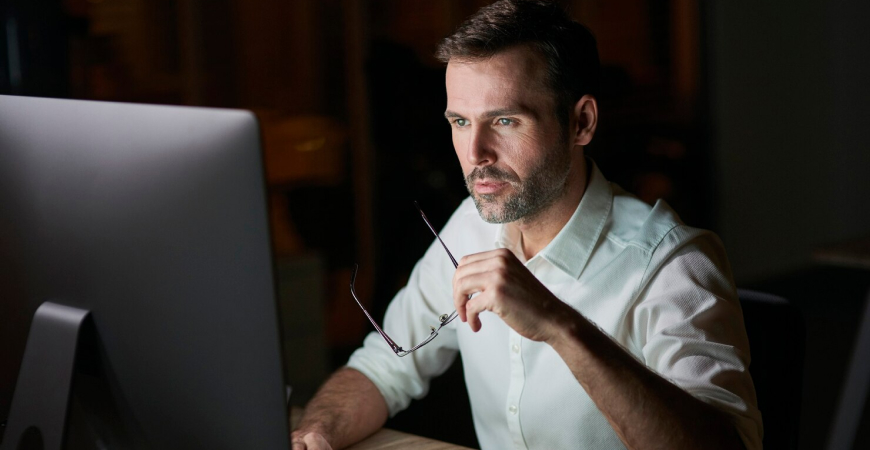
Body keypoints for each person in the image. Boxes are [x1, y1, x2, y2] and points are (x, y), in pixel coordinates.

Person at [291, 1, 762, 449]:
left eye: (506, 120)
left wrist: (559, 325)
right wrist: (317, 432)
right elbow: (383, 367)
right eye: (459, 121)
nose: (475, 153)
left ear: (581, 122)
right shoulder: (468, 227)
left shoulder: (672, 264)